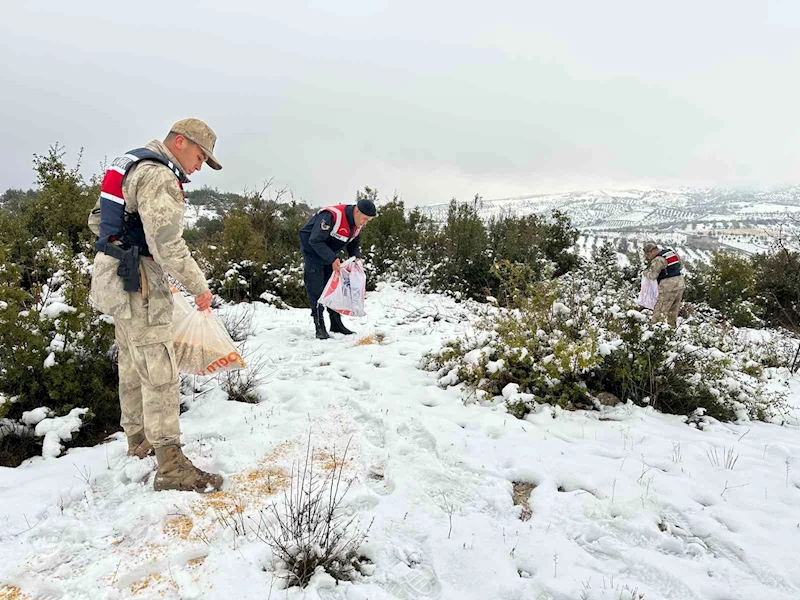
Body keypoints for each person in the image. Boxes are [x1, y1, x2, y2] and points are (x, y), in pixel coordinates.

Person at [87, 118, 224, 493]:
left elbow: (97, 219)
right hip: (140, 282)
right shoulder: (160, 175)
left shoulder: (131, 164)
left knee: (132, 363)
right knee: (160, 373)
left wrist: (125, 246)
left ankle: (138, 442)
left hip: (116, 278)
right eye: (199, 156)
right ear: (180, 142)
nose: (199, 166)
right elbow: (167, 244)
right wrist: (198, 287)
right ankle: (171, 467)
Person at [299, 199, 377, 339]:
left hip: (330, 253)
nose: (365, 223)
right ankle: (319, 326)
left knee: (333, 288)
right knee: (316, 288)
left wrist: (356, 257)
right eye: (365, 219)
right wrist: (332, 258)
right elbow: (315, 240)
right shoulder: (332, 216)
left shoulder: (357, 222)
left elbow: (354, 242)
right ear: (357, 211)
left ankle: (336, 323)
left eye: (368, 221)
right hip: (313, 251)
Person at [642, 241, 685, 327]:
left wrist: (645, 273)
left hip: (668, 287)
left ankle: (654, 331)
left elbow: (653, 275)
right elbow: (680, 266)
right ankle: (671, 330)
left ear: (652, 251)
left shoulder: (658, 259)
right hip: (680, 284)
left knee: (659, 311)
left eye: (648, 255)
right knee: (673, 312)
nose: (648, 258)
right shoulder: (671, 253)